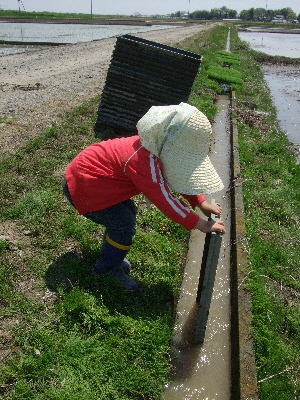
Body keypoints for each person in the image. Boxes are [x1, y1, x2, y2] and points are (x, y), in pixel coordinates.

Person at [62, 102, 225, 292]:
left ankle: (113, 253)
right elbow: (165, 199)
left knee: (126, 215)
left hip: (96, 183)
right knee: (122, 224)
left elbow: (179, 176)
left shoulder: (154, 148)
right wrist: (200, 224)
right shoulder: (143, 161)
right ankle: (106, 269)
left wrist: (200, 202)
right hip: (84, 187)